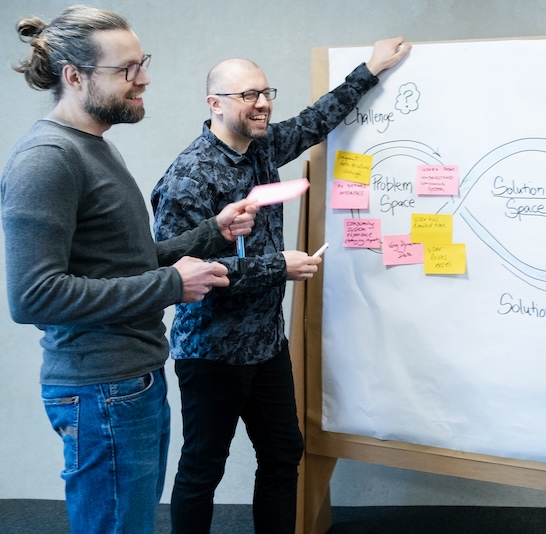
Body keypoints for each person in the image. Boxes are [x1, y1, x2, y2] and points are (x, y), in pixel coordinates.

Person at [1, 6, 257, 534]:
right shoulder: (46, 159)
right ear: (75, 77)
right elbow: (34, 296)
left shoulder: (93, 146)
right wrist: (171, 285)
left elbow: (121, 260)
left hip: (129, 384)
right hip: (102, 392)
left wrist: (212, 232)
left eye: (142, 63)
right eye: (126, 69)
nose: (143, 78)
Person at [150, 38, 411, 533]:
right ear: (215, 104)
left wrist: (371, 68)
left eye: (266, 92)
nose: (263, 103)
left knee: (282, 455)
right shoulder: (189, 177)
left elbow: (316, 120)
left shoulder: (262, 147)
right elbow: (182, 274)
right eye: (248, 95)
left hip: (266, 345)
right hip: (212, 351)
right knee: (203, 467)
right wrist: (278, 268)